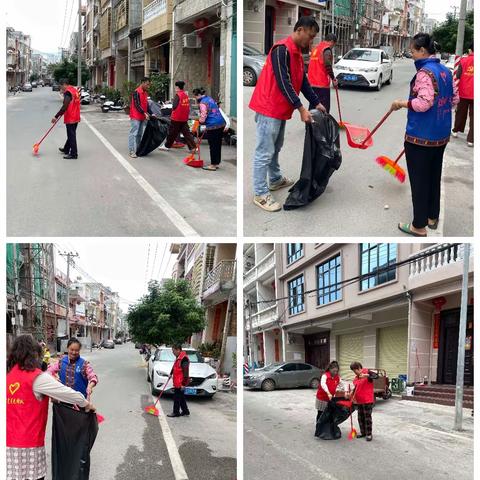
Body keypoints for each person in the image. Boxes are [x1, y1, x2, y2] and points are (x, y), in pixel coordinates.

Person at [249, 16, 327, 212]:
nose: (310, 42)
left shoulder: (297, 55)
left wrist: (316, 102)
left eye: (313, 38)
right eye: (310, 37)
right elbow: (284, 82)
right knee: (264, 152)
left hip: (280, 109)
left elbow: (302, 82)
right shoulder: (282, 50)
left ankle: (274, 179)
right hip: (269, 108)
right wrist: (301, 108)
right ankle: (260, 193)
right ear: (299, 30)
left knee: (276, 147)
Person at [391, 33, 458, 237]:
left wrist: (401, 103)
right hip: (441, 134)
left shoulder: (424, 73)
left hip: (420, 137)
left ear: (422, 51)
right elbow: (455, 99)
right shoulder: (445, 70)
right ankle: (431, 216)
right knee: (433, 175)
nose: (411, 55)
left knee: (419, 180)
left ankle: (418, 225)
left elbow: (423, 103)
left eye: (412, 51)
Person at [7, 334, 95, 480]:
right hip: (29, 447)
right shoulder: (37, 378)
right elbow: (67, 393)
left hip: (7, 447)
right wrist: (86, 404)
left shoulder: (7, 377)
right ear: (35, 354)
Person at [192, 88, 226, 171]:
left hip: (213, 125)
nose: (195, 98)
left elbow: (203, 115)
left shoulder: (202, 103)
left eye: (195, 96)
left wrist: (200, 121)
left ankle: (213, 165)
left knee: (213, 145)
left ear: (198, 95)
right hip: (221, 123)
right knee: (217, 145)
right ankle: (216, 163)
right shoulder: (209, 99)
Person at [158, 81, 197, 153]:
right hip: (184, 118)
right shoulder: (185, 95)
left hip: (176, 118)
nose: (175, 88)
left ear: (177, 87)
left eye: (175, 87)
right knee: (187, 133)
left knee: (172, 133)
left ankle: (166, 146)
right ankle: (193, 147)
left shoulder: (178, 95)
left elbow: (174, 106)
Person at [307, 33, 338, 112]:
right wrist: (333, 79)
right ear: (331, 41)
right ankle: (323, 124)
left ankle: (310, 124)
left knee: (313, 106)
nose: (332, 47)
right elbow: (328, 65)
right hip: (322, 84)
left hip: (312, 83)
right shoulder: (326, 49)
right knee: (324, 109)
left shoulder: (316, 48)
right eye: (333, 45)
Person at [52, 78, 81, 160]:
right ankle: (66, 149)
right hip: (76, 116)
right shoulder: (73, 90)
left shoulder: (68, 93)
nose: (61, 88)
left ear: (64, 84)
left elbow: (65, 106)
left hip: (71, 117)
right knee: (71, 134)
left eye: (61, 86)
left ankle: (74, 154)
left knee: (71, 135)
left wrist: (56, 116)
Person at [350, 361, 378, 441]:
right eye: (353, 371)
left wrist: (366, 375)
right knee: (360, 417)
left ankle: (369, 434)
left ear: (359, 368)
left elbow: (376, 376)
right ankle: (363, 433)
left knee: (367, 418)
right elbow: (356, 388)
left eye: (355, 370)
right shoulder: (356, 378)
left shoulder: (367, 372)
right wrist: (351, 393)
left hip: (367, 400)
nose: (355, 372)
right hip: (359, 401)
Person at [452, 44, 474, 147]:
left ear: (470, 50)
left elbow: (458, 75)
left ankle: (456, 130)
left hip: (464, 92)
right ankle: (471, 139)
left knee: (460, 112)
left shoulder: (463, 60)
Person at [129, 77, 153, 158]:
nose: (148, 86)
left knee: (139, 134)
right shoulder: (136, 92)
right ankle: (131, 150)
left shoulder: (145, 93)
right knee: (133, 133)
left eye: (149, 85)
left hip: (142, 117)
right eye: (147, 84)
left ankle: (138, 149)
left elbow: (146, 104)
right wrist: (144, 113)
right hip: (135, 116)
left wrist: (151, 113)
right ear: (142, 83)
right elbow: (137, 104)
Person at [167, 344, 190, 418]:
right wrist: (171, 373)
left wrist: (183, 384)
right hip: (177, 381)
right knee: (181, 397)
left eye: (173, 351)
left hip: (180, 382)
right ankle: (185, 411)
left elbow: (186, 372)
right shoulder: (178, 357)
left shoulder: (184, 359)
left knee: (177, 398)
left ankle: (176, 412)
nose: (173, 353)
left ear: (178, 350)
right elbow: (174, 366)